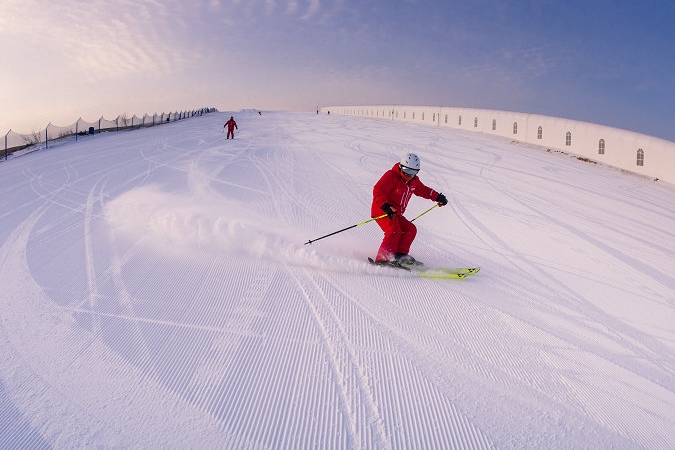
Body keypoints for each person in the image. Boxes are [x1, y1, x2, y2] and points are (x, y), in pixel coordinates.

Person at [371, 153, 448, 265]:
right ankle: (382, 259)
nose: (408, 175)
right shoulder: (391, 176)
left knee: (410, 229)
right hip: (383, 210)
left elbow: (424, 190)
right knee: (394, 231)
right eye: (406, 172)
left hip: (395, 213)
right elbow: (378, 190)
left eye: (412, 173)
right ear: (401, 167)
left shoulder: (413, 181)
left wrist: (438, 197)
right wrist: (386, 206)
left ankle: (399, 255)